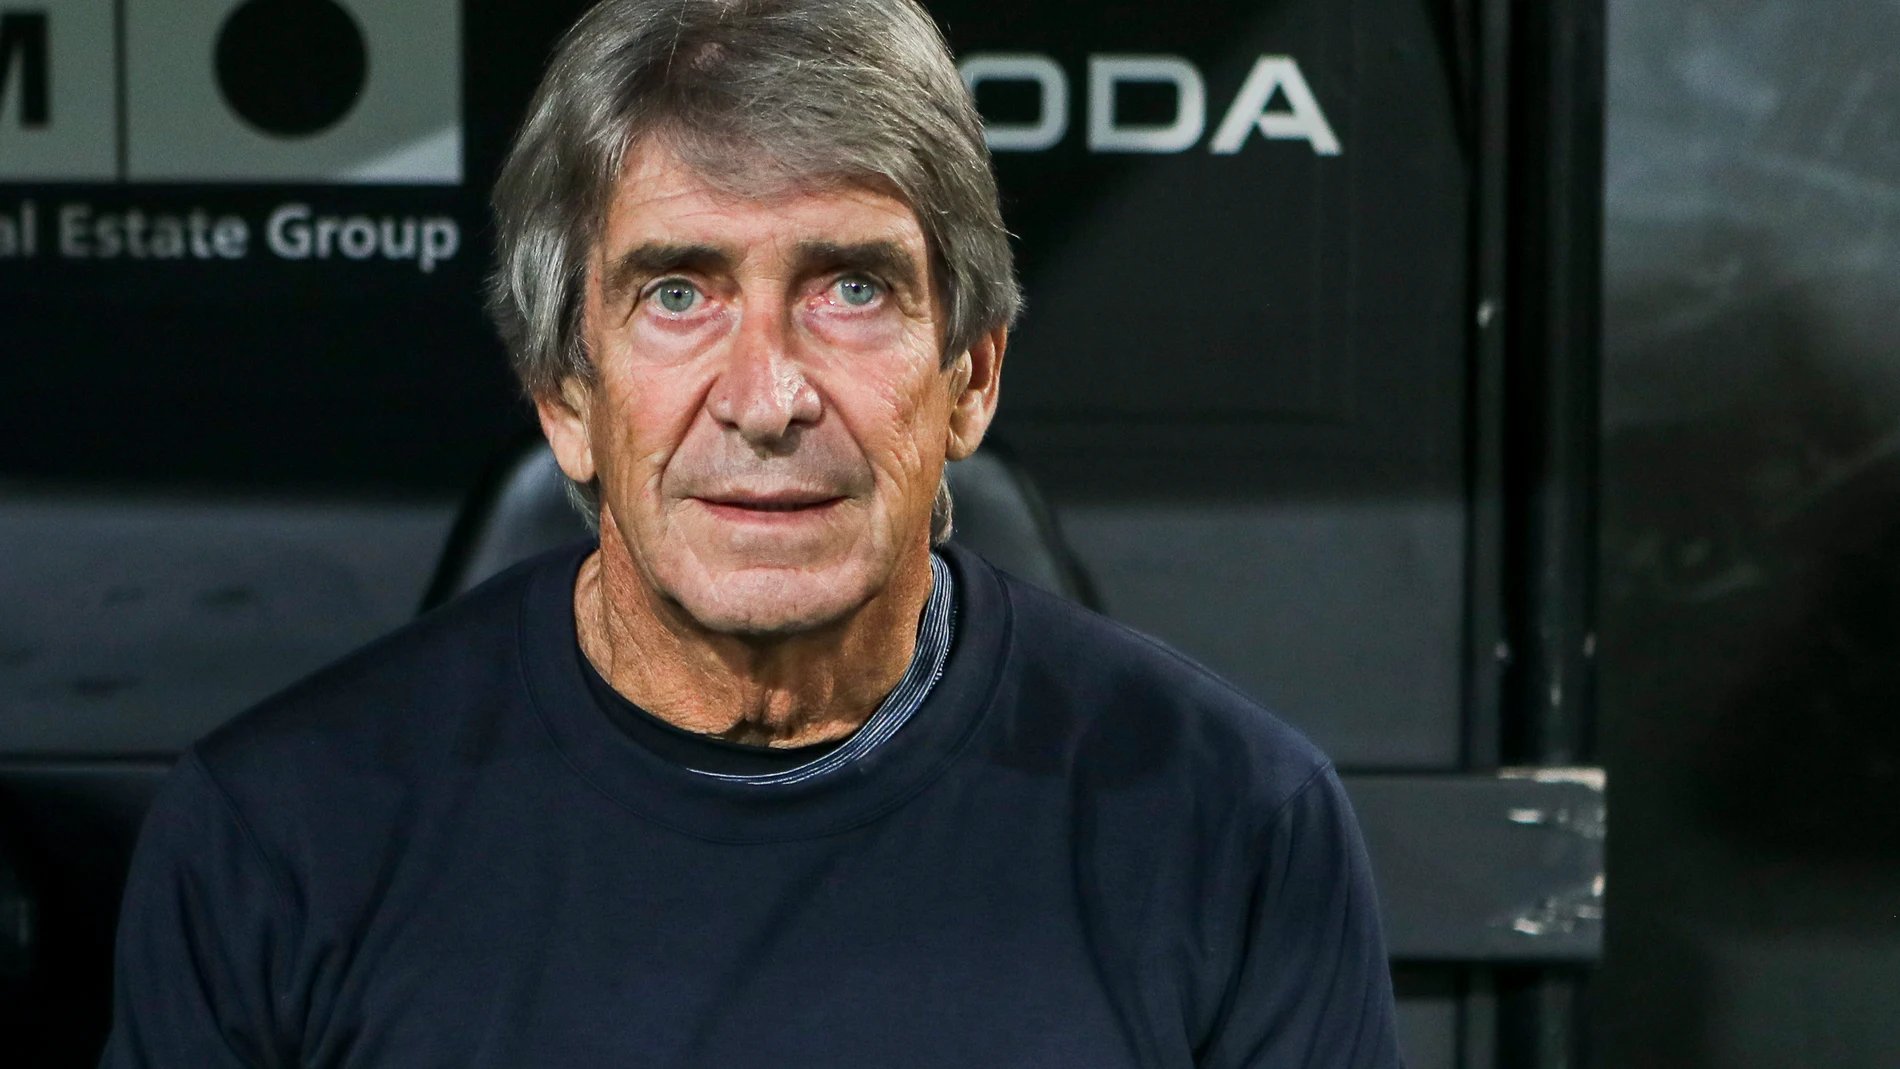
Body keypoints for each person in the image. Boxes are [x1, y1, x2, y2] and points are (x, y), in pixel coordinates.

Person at [98, 0, 1402, 1065]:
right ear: (564, 395)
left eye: (852, 288)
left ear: (972, 376)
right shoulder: (277, 838)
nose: (768, 398)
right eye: (678, 292)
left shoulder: (1233, 822)